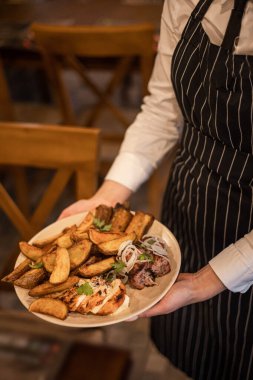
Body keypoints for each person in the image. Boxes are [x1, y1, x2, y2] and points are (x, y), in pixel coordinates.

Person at [59, 0, 253, 379]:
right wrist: (107, 196)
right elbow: (163, 111)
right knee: (195, 347)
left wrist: (205, 282)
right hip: (191, 202)